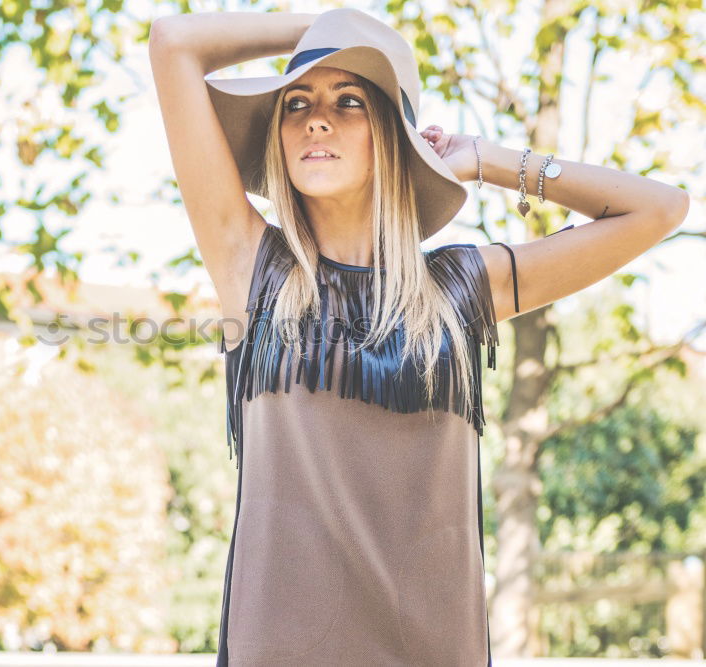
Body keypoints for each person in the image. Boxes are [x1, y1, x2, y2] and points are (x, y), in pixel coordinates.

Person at [148, 8, 689, 666]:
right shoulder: (254, 269)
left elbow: (659, 209)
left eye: (349, 100)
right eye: (296, 103)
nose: (316, 118)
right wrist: (328, 28)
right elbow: (175, 43)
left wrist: (488, 159)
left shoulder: (462, 286)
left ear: (392, 134)